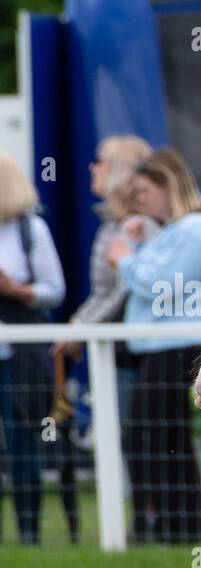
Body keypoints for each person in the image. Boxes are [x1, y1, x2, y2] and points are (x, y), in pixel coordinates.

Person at [109, 147, 201, 543]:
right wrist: (134, 242)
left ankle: (168, 526)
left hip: (177, 347)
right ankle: (172, 527)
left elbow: (164, 288)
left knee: (151, 437)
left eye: (144, 191)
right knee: (163, 439)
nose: (140, 200)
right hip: (160, 347)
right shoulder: (174, 230)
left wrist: (125, 259)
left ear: (167, 186)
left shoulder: (195, 229)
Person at [53, 135, 157, 424]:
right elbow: (104, 292)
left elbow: (121, 291)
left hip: (135, 352)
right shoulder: (113, 224)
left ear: (118, 170)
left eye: (99, 162)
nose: (91, 168)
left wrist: (80, 328)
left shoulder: (139, 226)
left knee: (129, 436)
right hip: (120, 349)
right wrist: (78, 326)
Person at [0, 152, 66, 544]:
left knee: (24, 444)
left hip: (20, 356)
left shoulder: (30, 230)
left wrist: (15, 290)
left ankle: (29, 535)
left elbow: (54, 291)